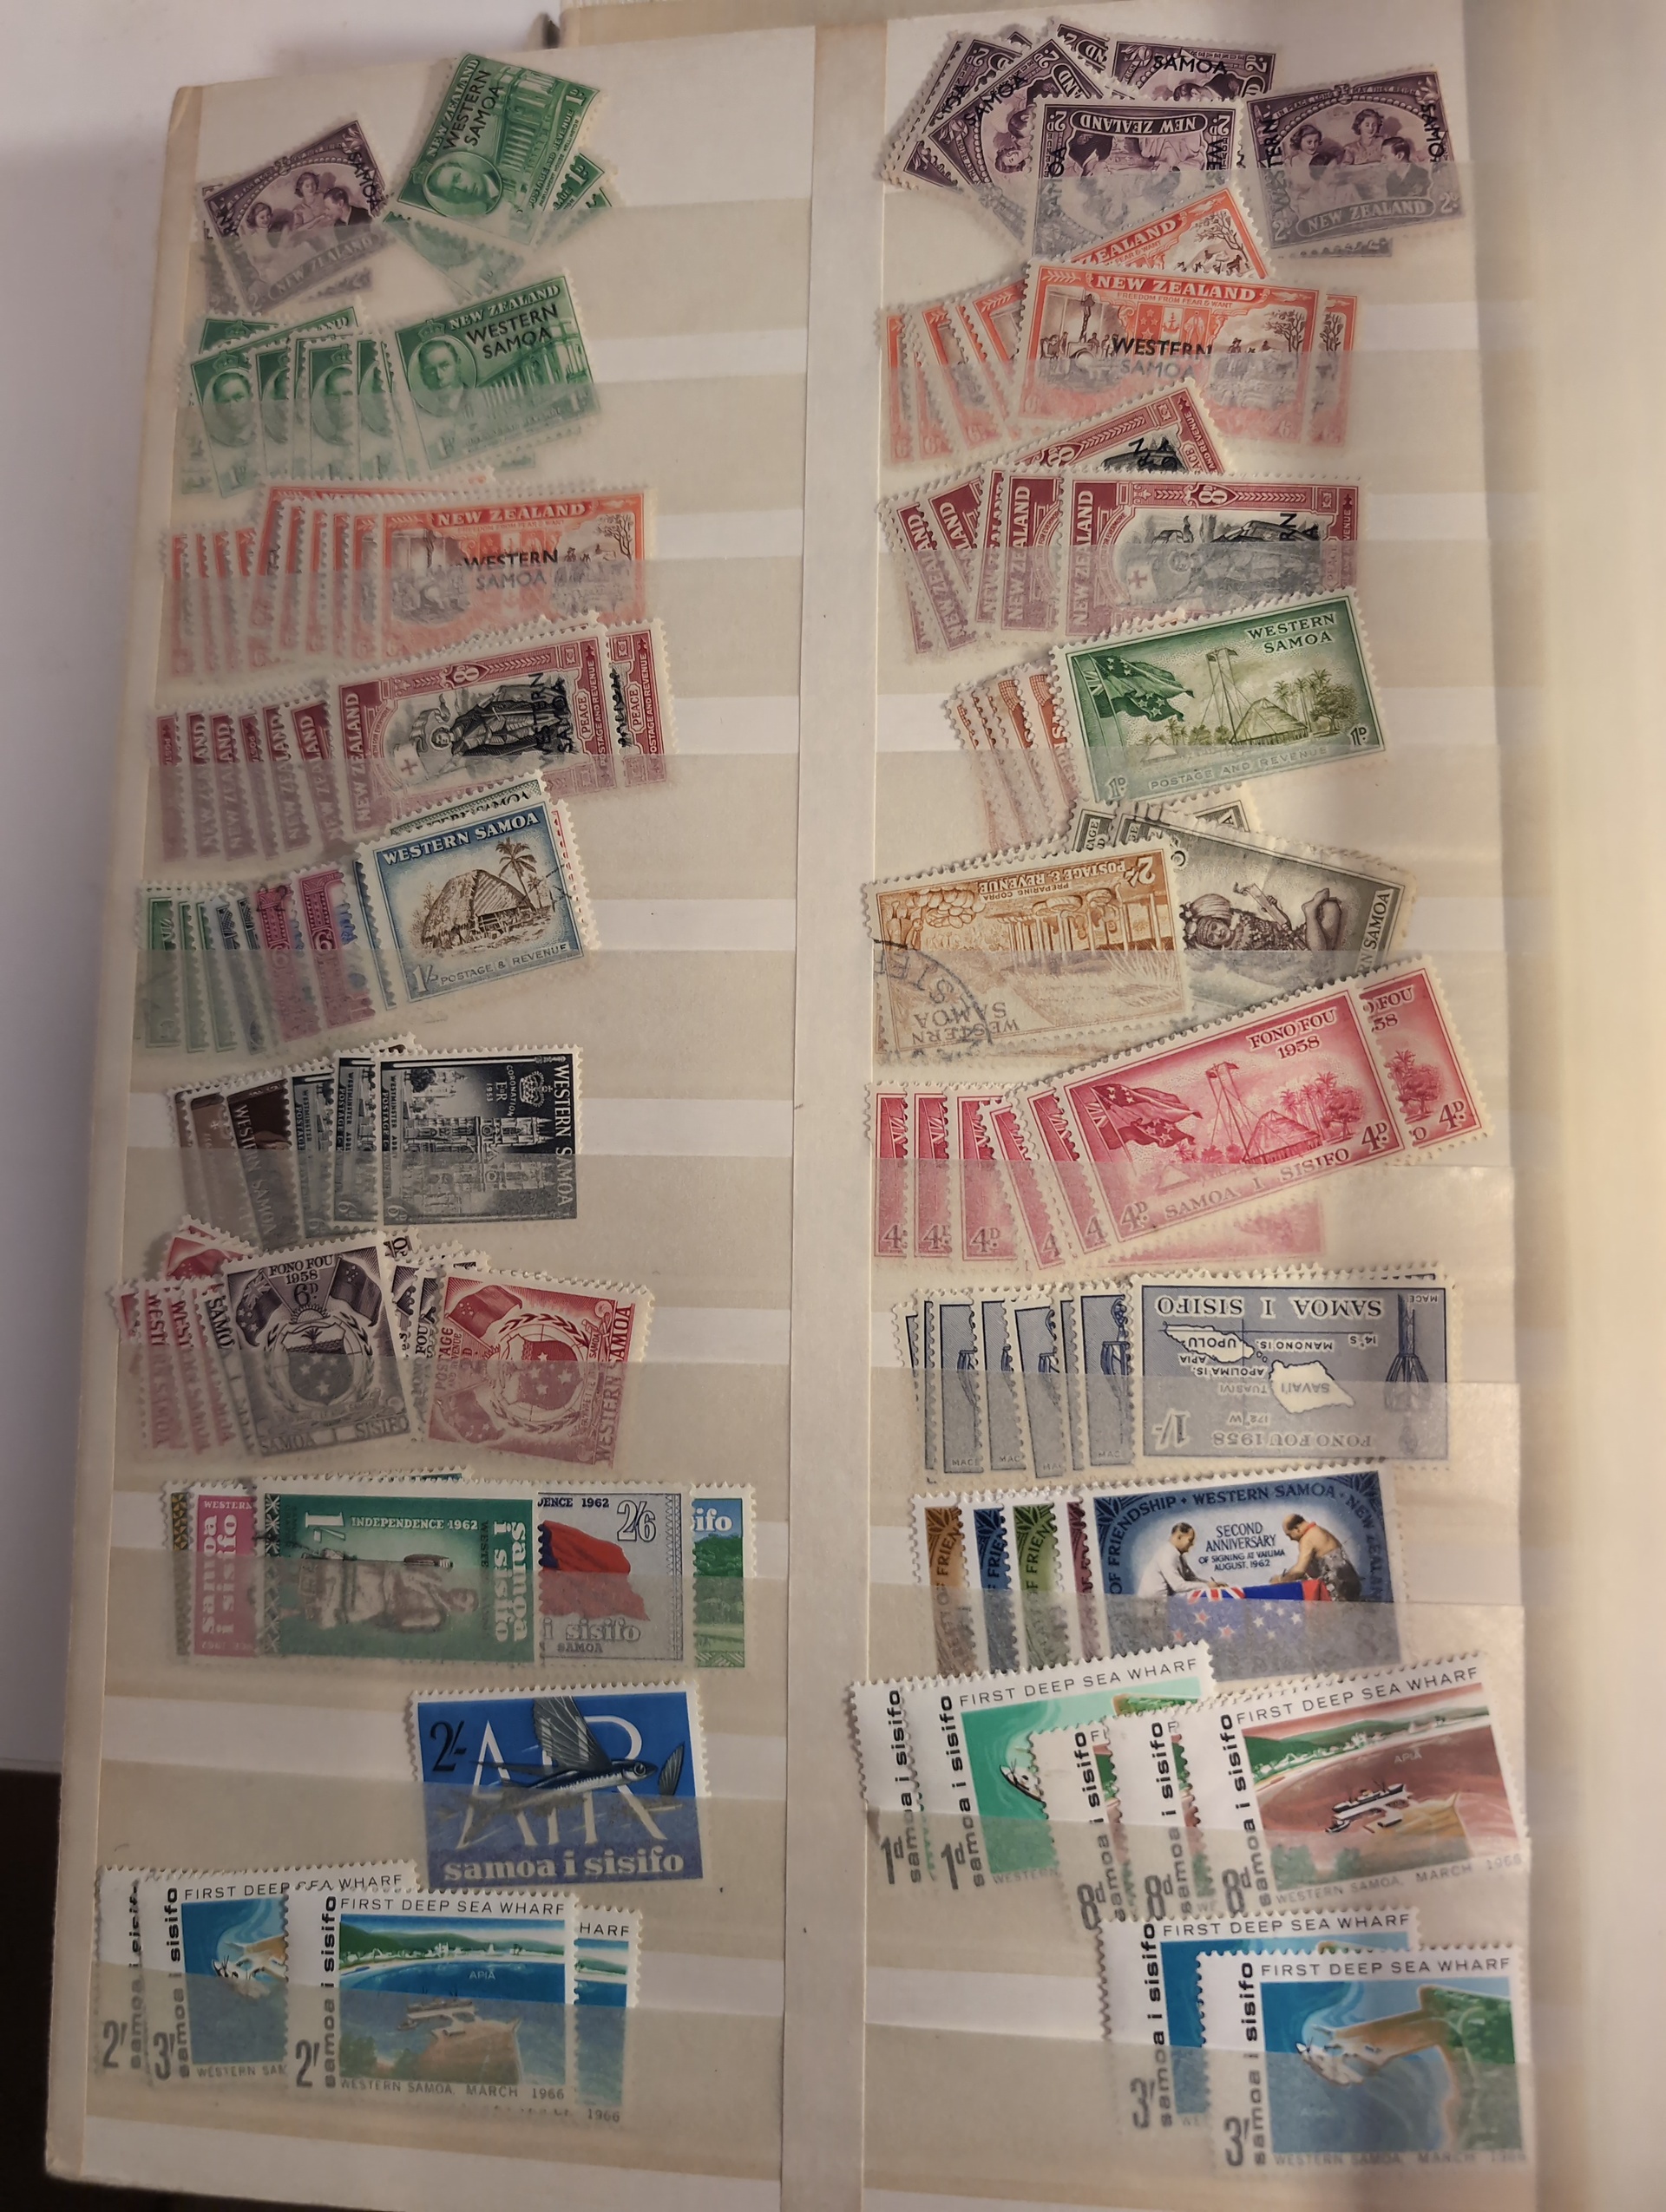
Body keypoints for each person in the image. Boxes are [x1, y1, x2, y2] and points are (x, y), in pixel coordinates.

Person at [1272, 1512, 1362, 1599]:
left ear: (1297, 1529)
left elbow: (1299, 1570)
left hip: (1337, 1586)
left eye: (1289, 1535)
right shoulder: (1319, 1530)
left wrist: (1281, 1580)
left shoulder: (1307, 1539)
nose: (1291, 1539)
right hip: (1351, 1581)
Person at [1136, 1522, 1219, 1596]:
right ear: (1179, 1537)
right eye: (1190, 1540)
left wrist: (1211, 1584)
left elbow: (1191, 1578)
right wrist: (1207, 1586)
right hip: (1154, 1605)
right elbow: (1178, 1586)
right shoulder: (1167, 1555)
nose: (1192, 1544)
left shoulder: (1178, 1555)